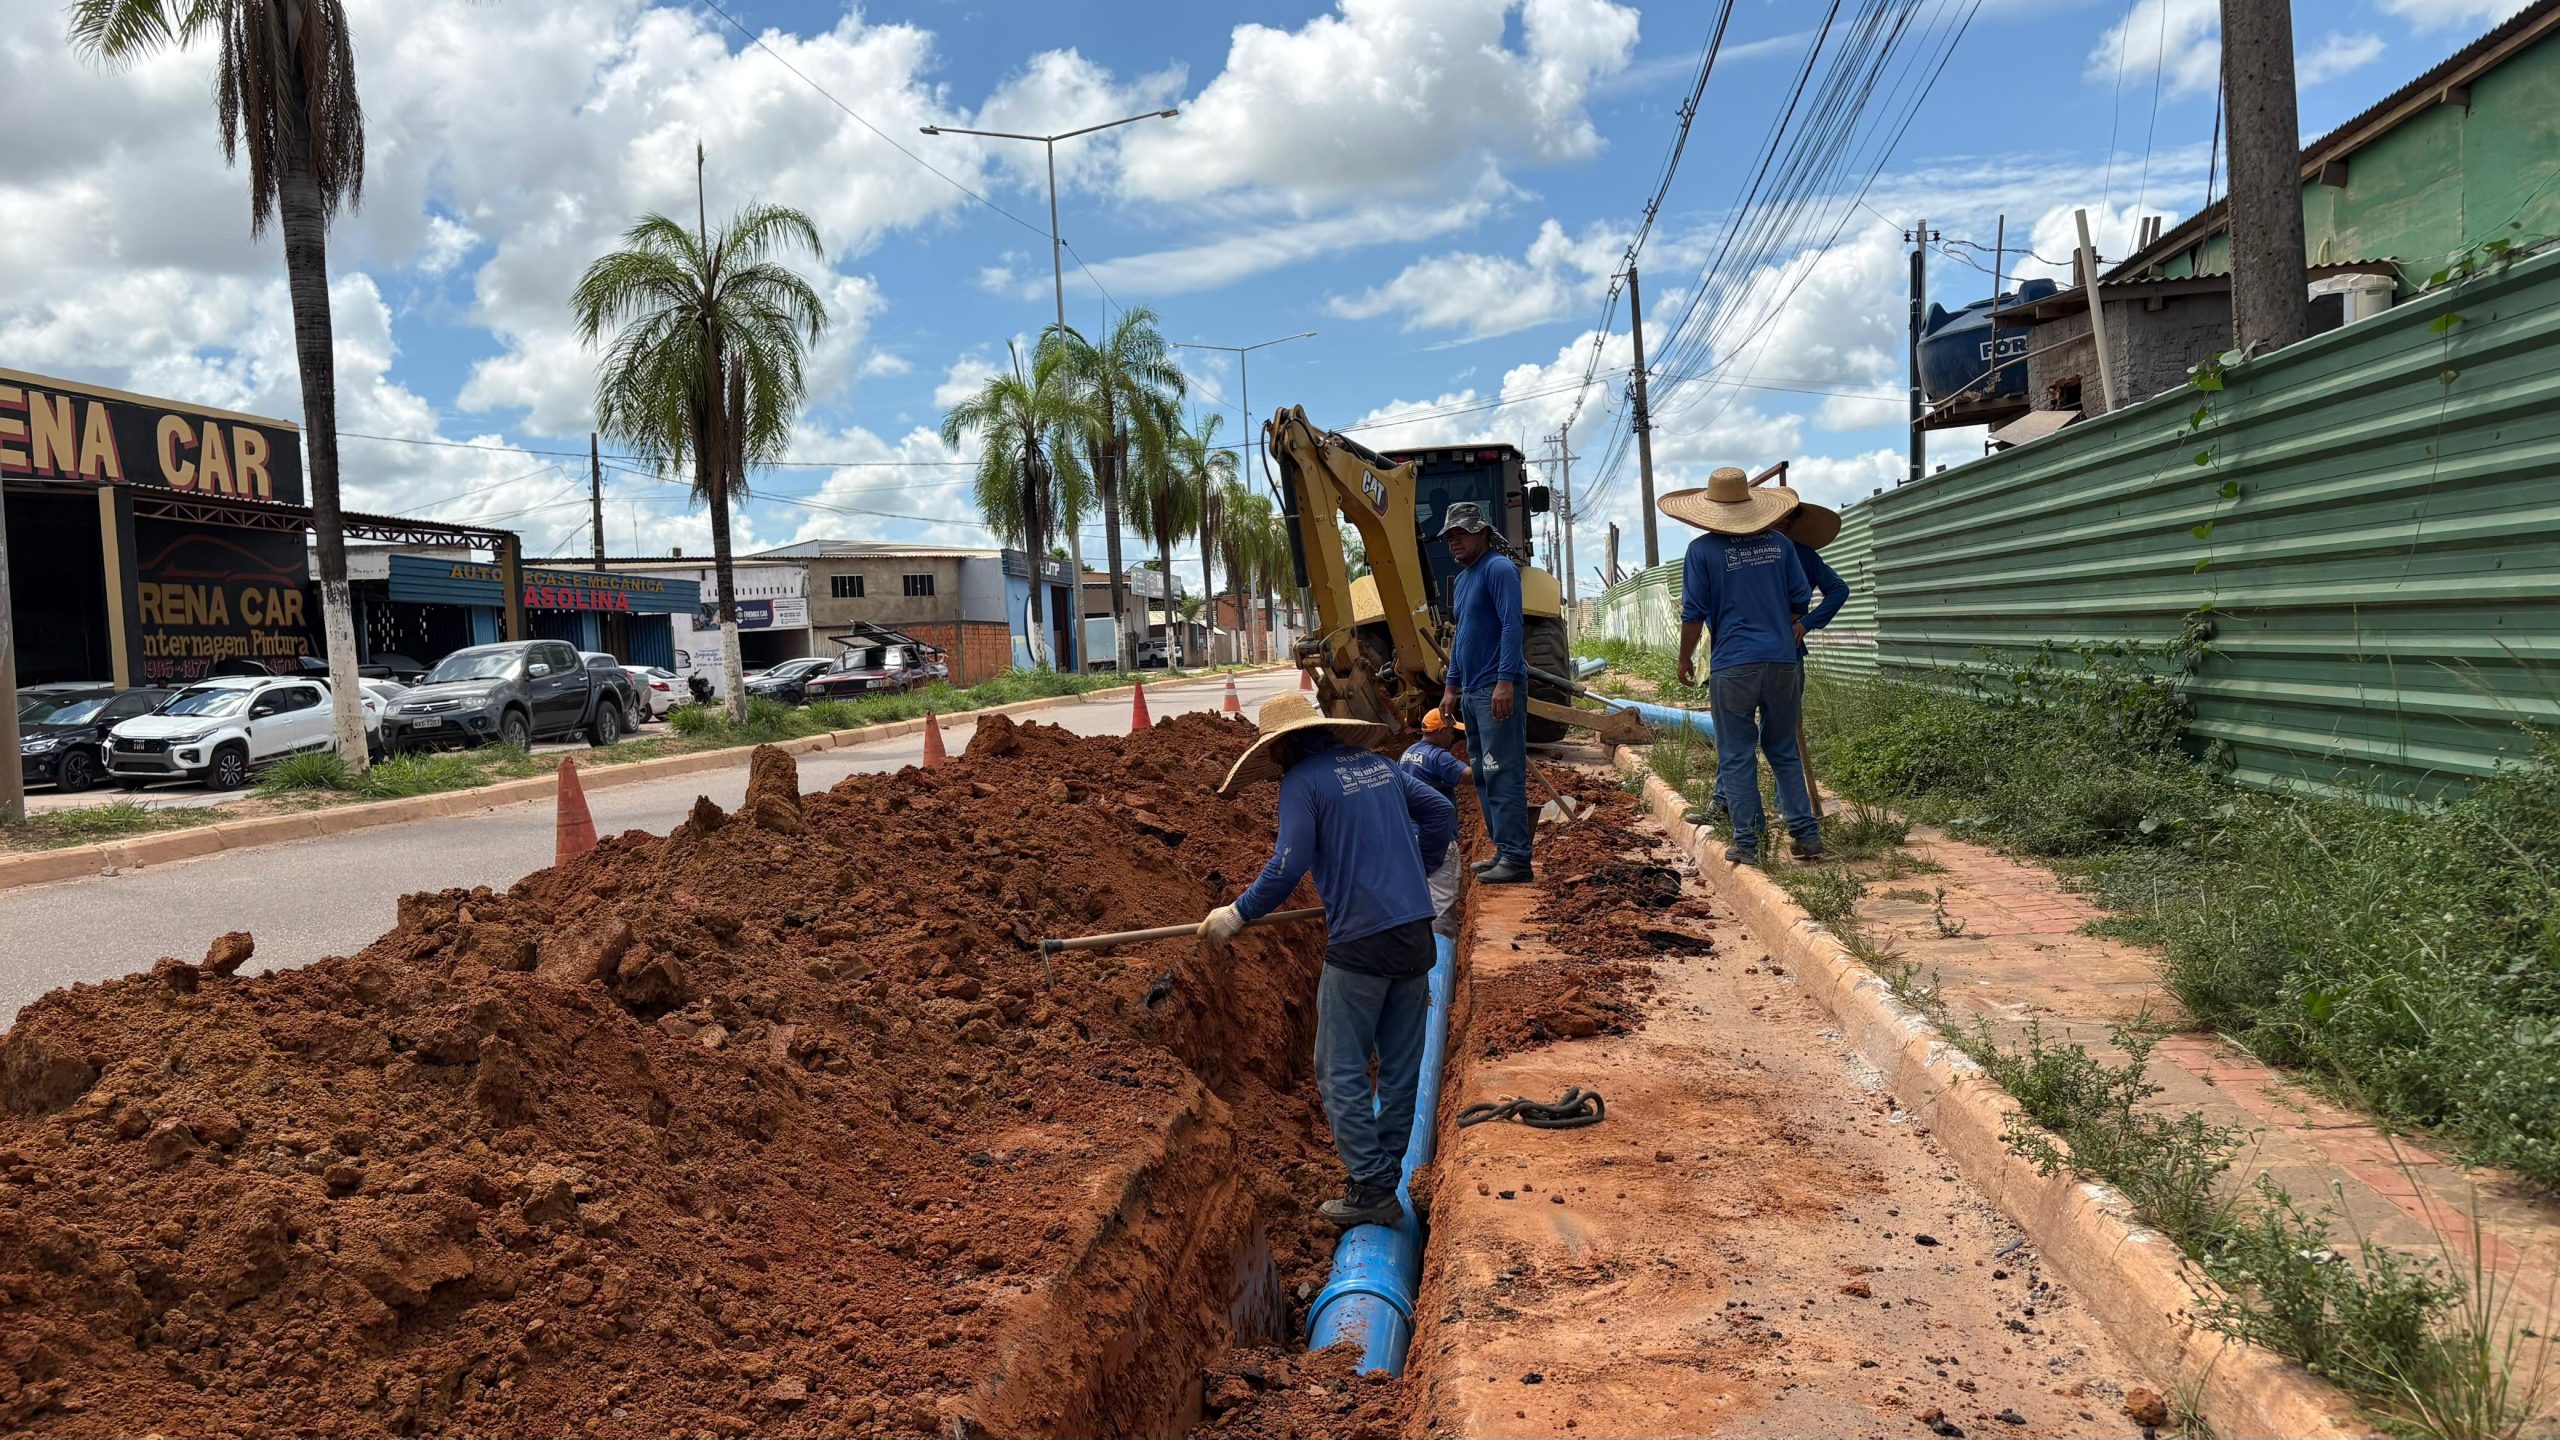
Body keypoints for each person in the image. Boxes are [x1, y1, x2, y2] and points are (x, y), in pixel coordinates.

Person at [1201, 693, 1458, 1228]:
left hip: (1361, 943)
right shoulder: (1380, 767)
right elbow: (1439, 809)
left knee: (1339, 1067)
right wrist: (1422, 865)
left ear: (1280, 751)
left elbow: (1288, 862)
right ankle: (1382, 1182)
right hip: (1415, 935)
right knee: (1400, 1068)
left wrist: (1238, 913)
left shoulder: (1303, 782)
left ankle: (1370, 1186)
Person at [1663, 467, 1826, 865]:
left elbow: (1693, 614)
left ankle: (1749, 843)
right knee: (1783, 748)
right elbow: (1800, 597)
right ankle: (1805, 834)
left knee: (1736, 753)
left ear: (1710, 510)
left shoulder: (1701, 551)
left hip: (1733, 665)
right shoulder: (1781, 545)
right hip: (1783, 660)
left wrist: (1685, 659)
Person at [1697, 502, 1849, 826]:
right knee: (1740, 741)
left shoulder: (1797, 554)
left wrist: (1805, 624)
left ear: (1791, 524)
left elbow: (1838, 590)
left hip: (1774, 658)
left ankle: (1781, 814)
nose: (1777, 526)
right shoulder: (1756, 552)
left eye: (1783, 521)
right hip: (1763, 657)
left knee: (1773, 740)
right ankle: (1728, 803)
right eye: (1772, 520)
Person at [1436, 501, 1532, 884]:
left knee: (1503, 772)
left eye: (1461, 533)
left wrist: (1506, 680)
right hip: (1474, 692)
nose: (1454, 541)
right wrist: (1450, 687)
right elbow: (1462, 637)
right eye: (1450, 536)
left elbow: (1512, 625)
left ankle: (1517, 858)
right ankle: (1502, 850)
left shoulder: (1498, 569)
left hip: (1496, 689)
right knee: (1483, 773)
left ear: (1483, 532)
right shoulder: (1463, 580)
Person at [1400, 709, 1472, 939]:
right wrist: (1492, 762)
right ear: (1440, 732)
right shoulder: (1438, 756)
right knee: (1442, 903)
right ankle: (1442, 961)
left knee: (1416, 897)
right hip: (1437, 837)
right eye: (1450, 731)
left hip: (1409, 837)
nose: (1452, 737)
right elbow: (1468, 777)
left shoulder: (1408, 753)